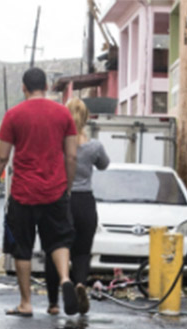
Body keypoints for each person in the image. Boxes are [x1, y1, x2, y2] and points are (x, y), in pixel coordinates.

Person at [0, 67, 79, 318]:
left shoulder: (13, 115)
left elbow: (1, 157)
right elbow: (71, 155)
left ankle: (26, 303)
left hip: (24, 193)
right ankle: (63, 279)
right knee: (59, 240)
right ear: (47, 86)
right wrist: (67, 186)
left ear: (24, 88)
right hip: (55, 190)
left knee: (23, 248)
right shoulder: (63, 114)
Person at [42, 98, 109, 316]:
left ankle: (53, 303)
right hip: (85, 203)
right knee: (82, 252)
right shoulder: (94, 146)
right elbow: (104, 164)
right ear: (86, 118)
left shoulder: (57, 144)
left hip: (61, 200)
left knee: (55, 249)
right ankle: (80, 284)